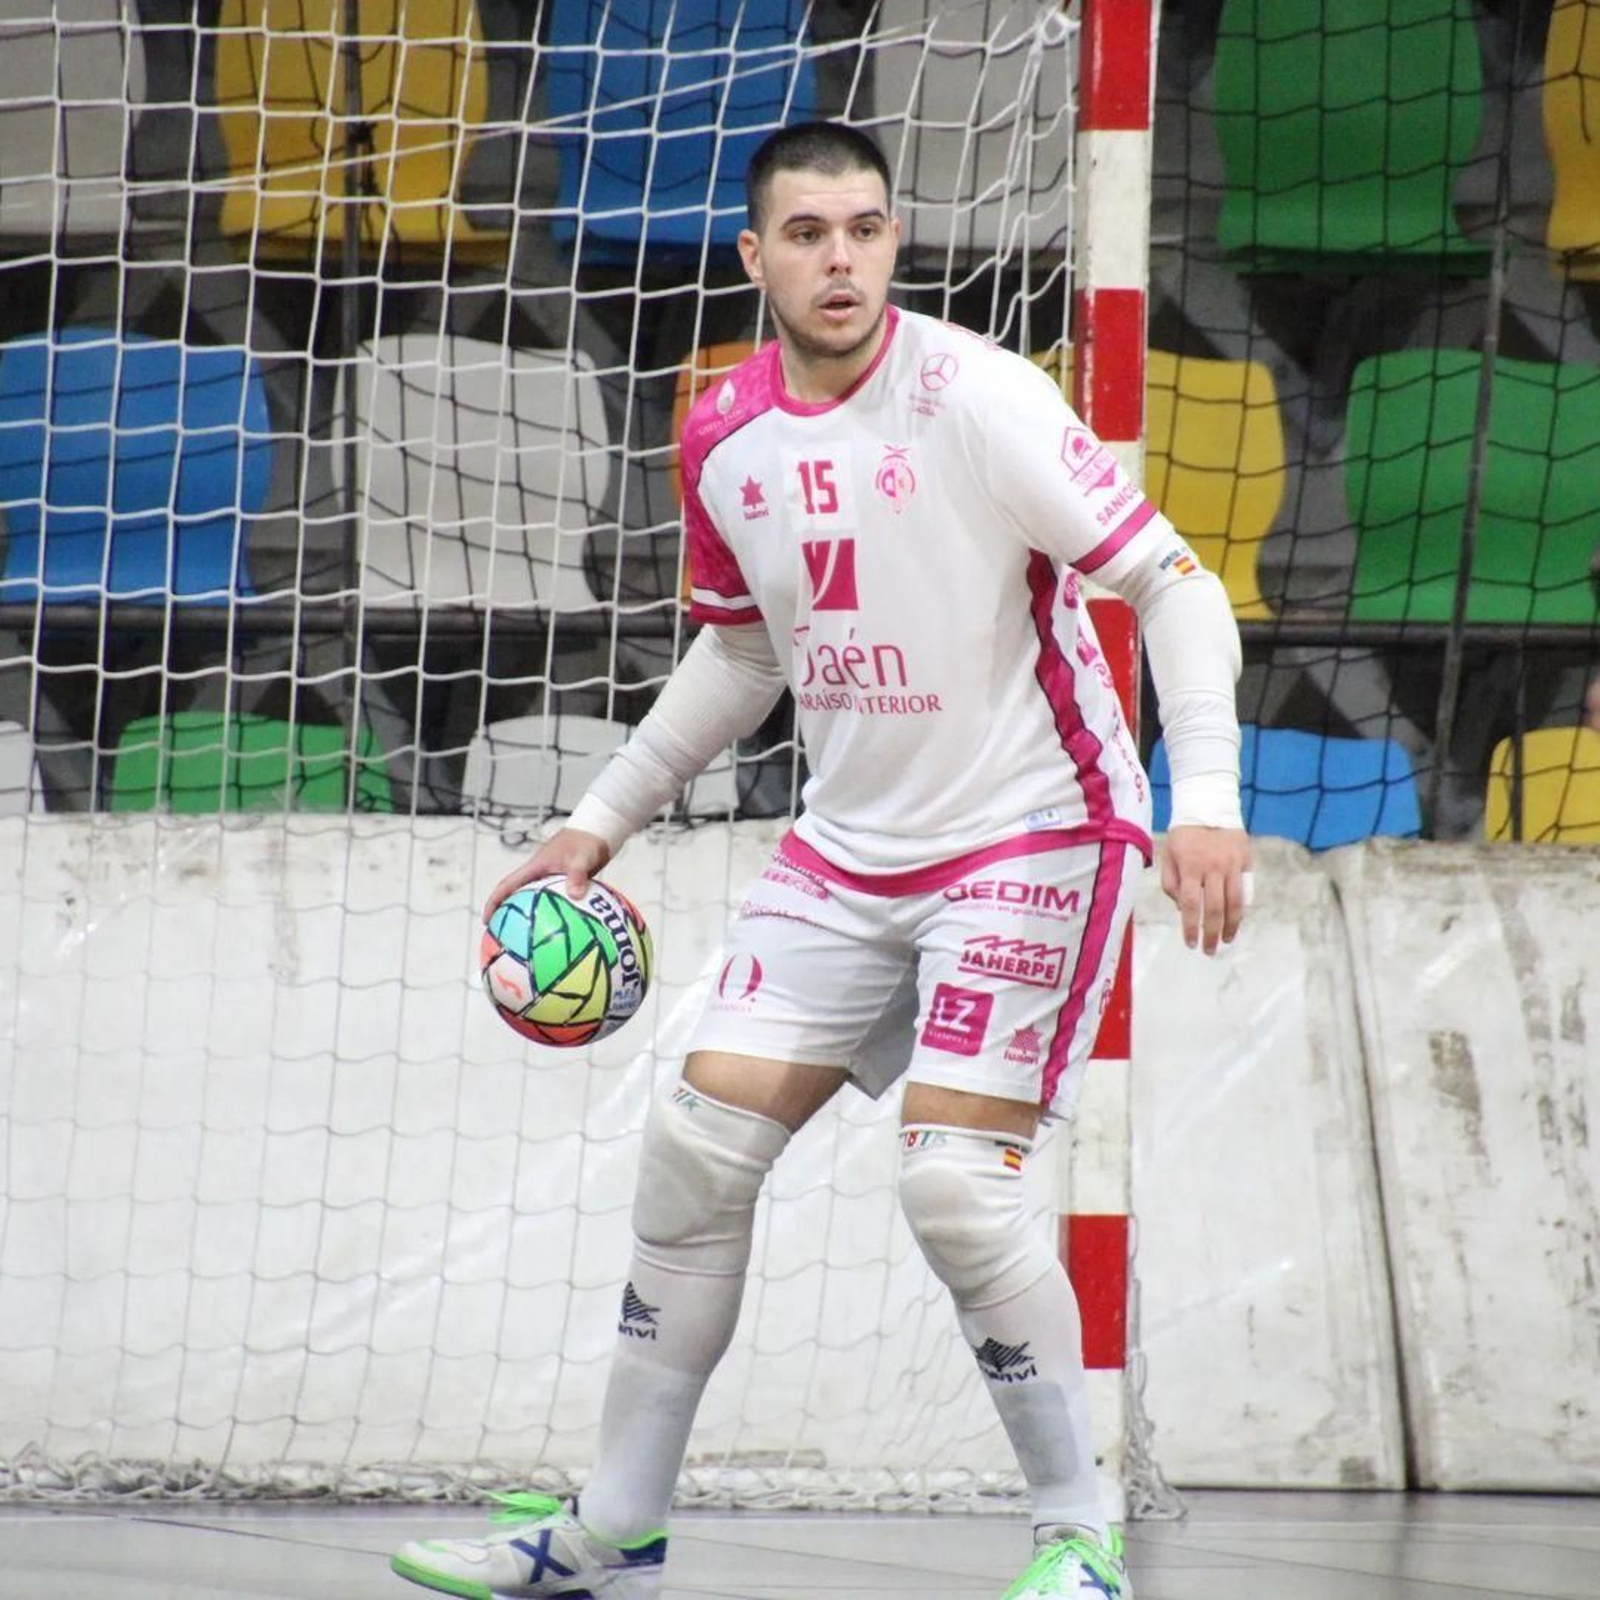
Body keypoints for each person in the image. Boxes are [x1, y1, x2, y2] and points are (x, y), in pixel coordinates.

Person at [391, 121, 1250, 1600]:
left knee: (958, 1194)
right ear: (755, 256)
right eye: (807, 234)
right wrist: (598, 820)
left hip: (1029, 830)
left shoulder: (978, 397)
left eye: (863, 230)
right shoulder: (724, 430)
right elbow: (741, 653)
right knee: (693, 1149)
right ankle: (613, 1529)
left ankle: (1077, 1541)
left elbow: (1173, 584)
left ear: (893, 239)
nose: (839, 259)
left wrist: (1211, 794)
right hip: (847, 851)